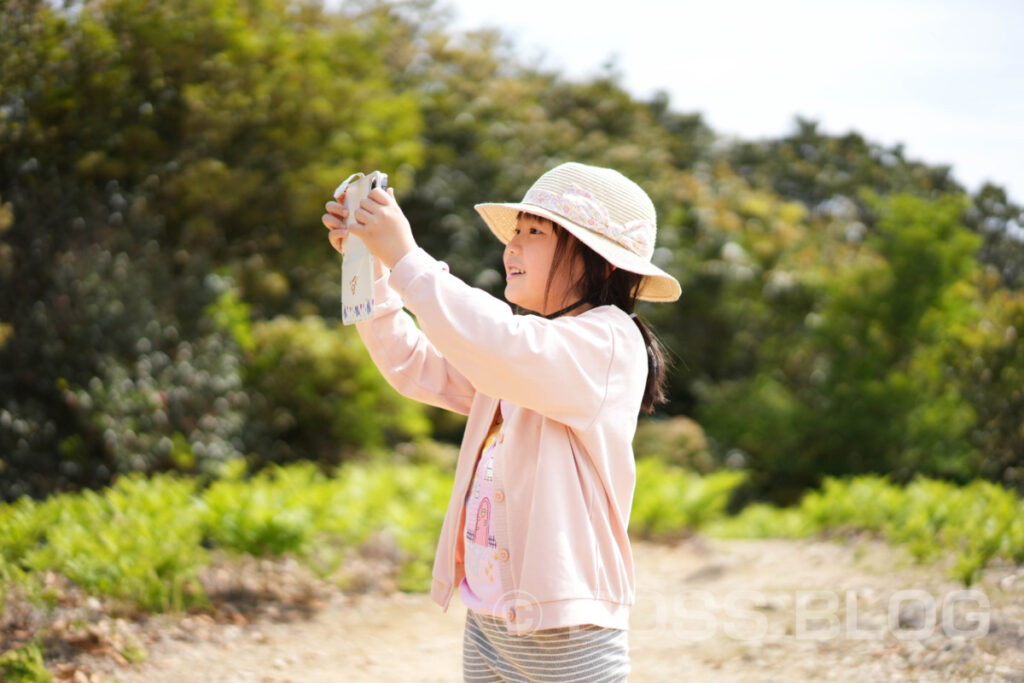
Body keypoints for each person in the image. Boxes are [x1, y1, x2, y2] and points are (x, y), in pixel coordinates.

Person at [322, 162, 681, 681]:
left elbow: (501, 345)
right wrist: (374, 265)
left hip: (566, 629)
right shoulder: (526, 355)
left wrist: (406, 256)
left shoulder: (607, 340)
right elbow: (415, 366)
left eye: (534, 232)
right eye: (515, 232)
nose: (512, 246)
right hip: (490, 619)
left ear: (599, 262)